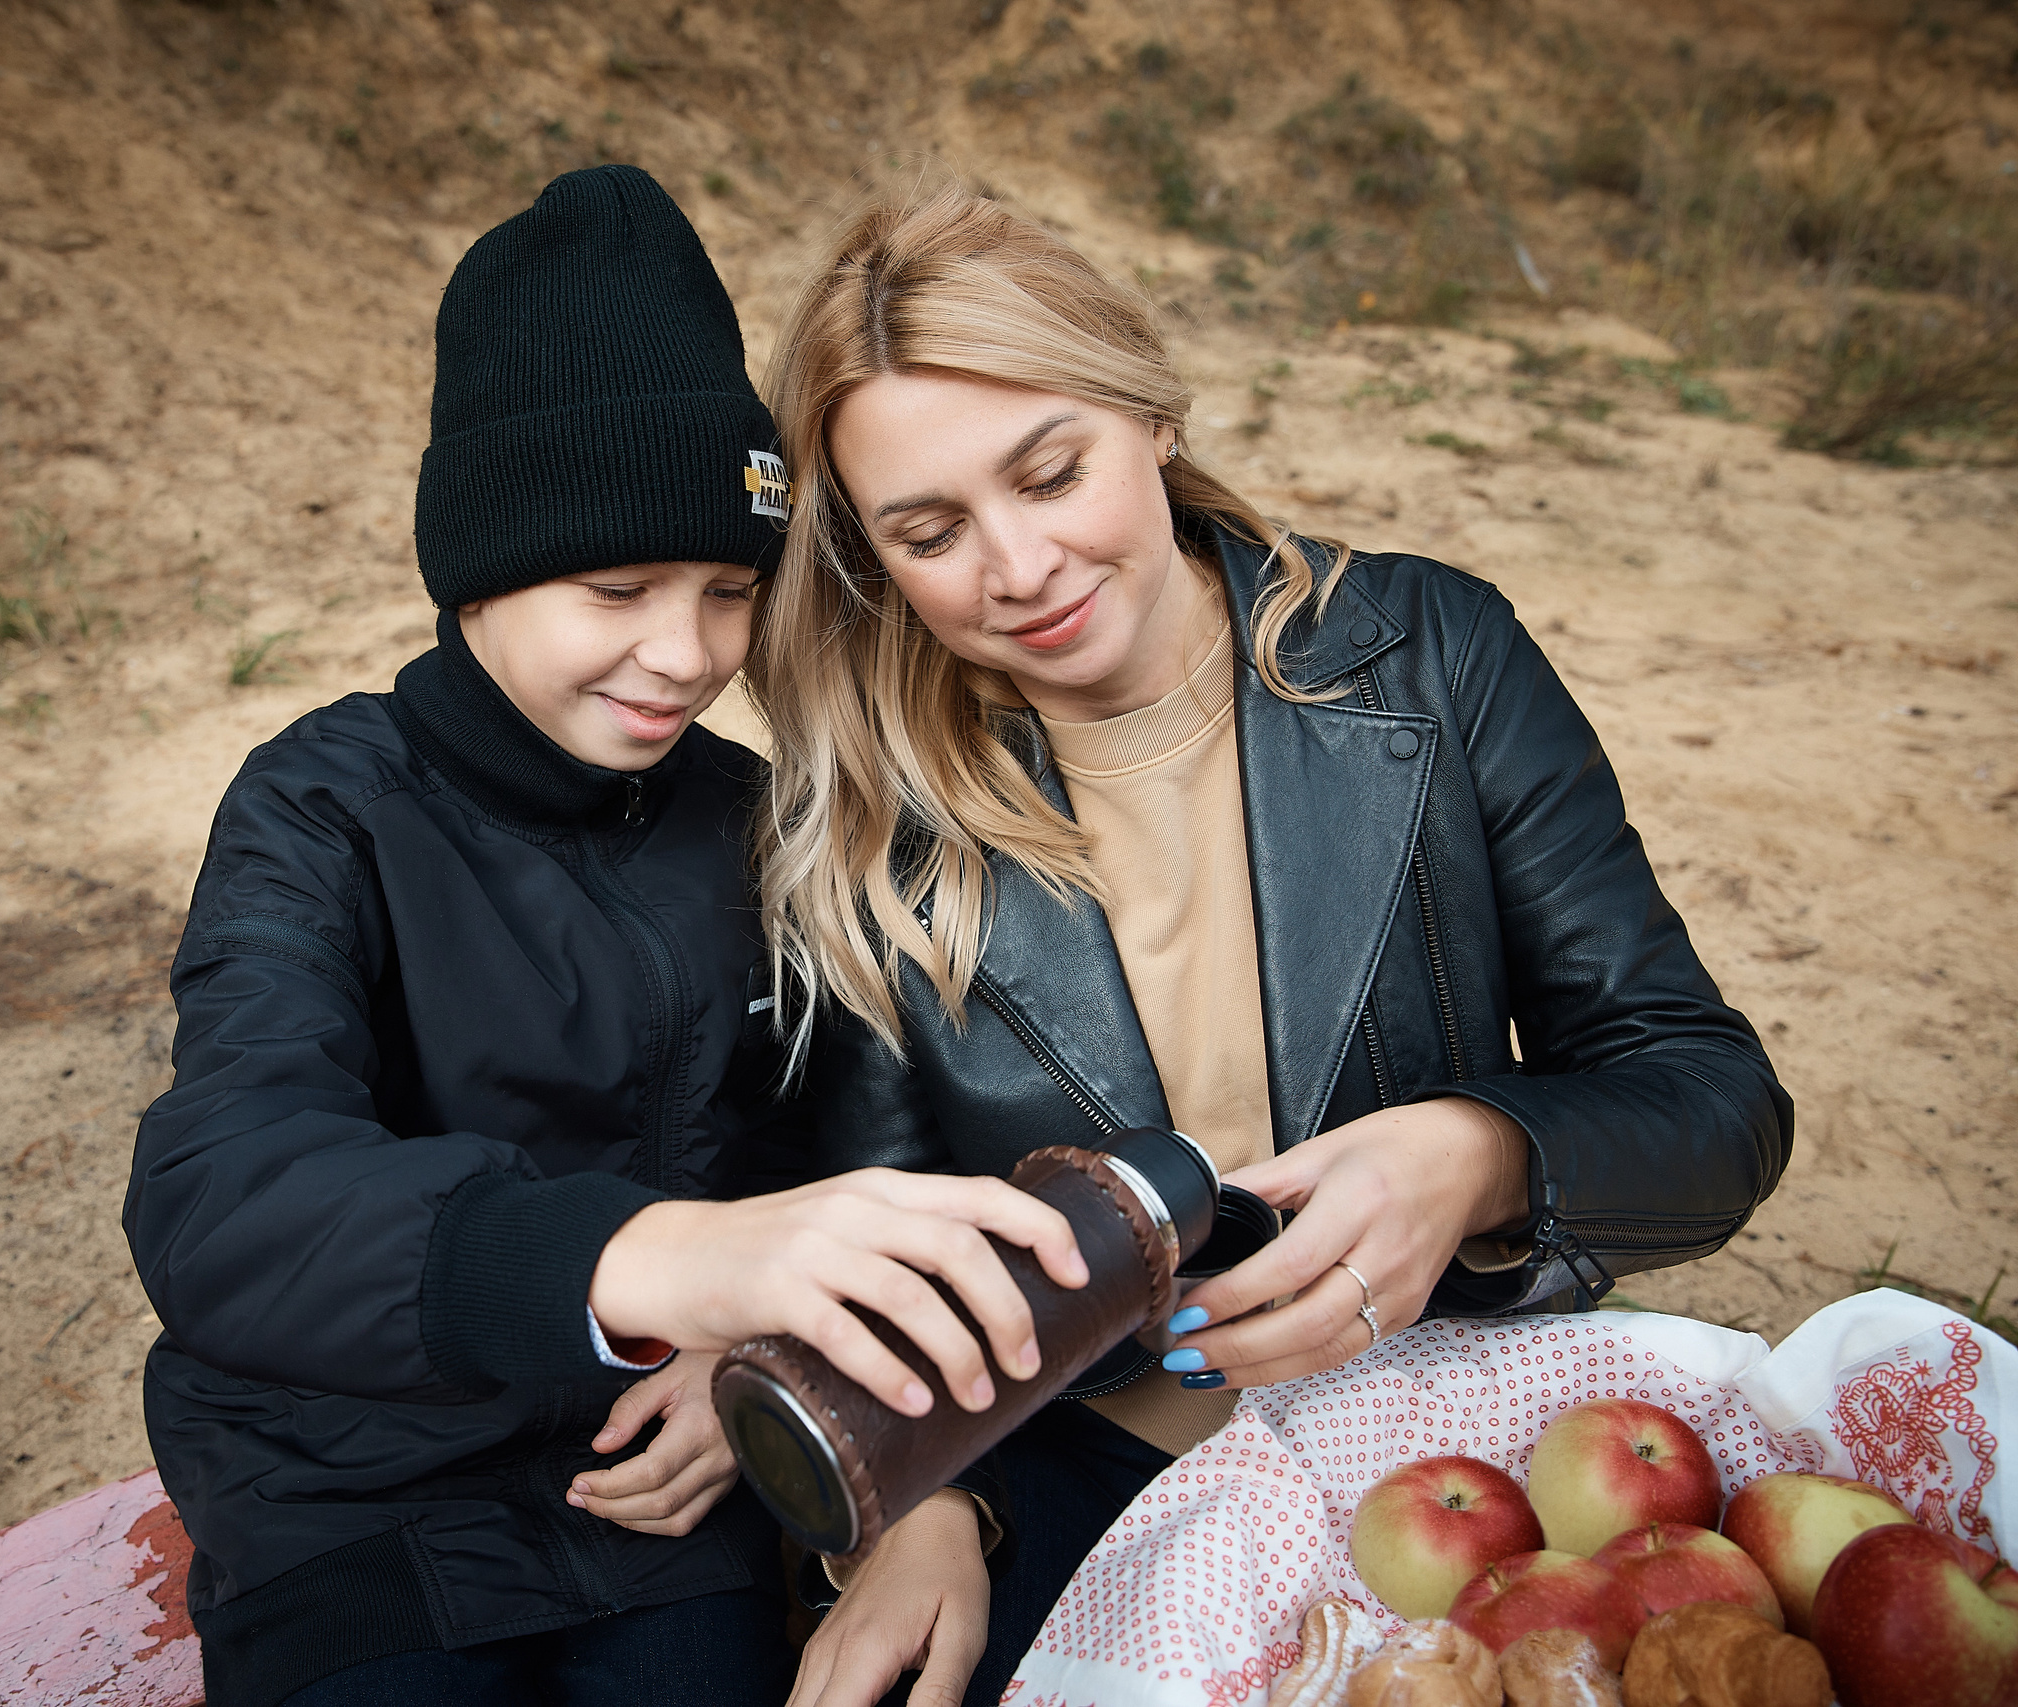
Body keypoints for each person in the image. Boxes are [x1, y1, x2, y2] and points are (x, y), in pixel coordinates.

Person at [743, 182, 1795, 1707]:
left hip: (1476, 1443)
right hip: (1089, 1481)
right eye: (931, 530)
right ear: (872, 559)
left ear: (1151, 415)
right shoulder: (866, 834)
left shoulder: (1439, 660)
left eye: (1053, 472)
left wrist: (1477, 1153)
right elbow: (882, 1268)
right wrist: (921, 1516)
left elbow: (1712, 1104)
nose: (1020, 565)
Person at [121, 166, 1091, 1707]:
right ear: (478, 568)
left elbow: (819, 1156)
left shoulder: (757, 820)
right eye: (617, 586)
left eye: (727, 591)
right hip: (341, 1488)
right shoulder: (325, 805)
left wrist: (746, 1356)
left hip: (658, 1486)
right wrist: (658, 1264)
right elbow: (223, 1192)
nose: (685, 655)